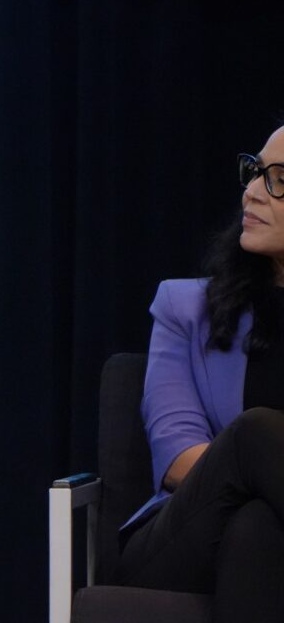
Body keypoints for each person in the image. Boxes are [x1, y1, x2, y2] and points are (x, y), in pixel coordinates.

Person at [117, 125, 284, 621]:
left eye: (279, 180)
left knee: (256, 526)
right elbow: (176, 457)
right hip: (180, 540)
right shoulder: (184, 307)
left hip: (263, 541)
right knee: (252, 433)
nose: (252, 191)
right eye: (254, 171)